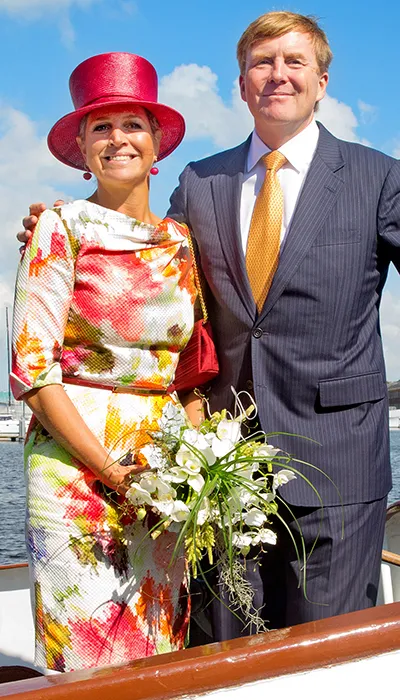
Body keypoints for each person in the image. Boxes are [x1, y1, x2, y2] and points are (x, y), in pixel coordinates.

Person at [19, 10, 400, 642]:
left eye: (294, 61)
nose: (278, 75)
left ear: (323, 80)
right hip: (216, 471)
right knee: (220, 652)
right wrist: (55, 229)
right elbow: (144, 259)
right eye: (261, 63)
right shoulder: (200, 182)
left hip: (337, 465)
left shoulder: (381, 177)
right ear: (241, 83)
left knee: (327, 660)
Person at [11, 51, 204, 672]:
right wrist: (113, 473)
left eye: (132, 125)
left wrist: (189, 465)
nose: (118, 139)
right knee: (87, 652)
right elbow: (33, 370)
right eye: (101, 127)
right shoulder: (58, 228)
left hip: (163, 471)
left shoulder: (180, 241)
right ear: (82, 147)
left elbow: (194, 367)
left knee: (159, 642)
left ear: (156, 145)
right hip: (75, 466)